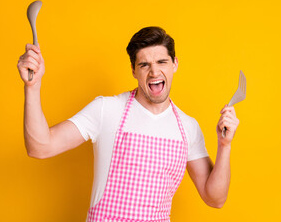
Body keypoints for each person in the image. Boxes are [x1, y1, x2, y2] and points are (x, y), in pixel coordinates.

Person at [17, 26, 239, 221]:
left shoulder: (188, 127)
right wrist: (32, 87)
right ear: (133, 70)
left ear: (175, 64)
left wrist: (224, 145)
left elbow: (215, 198)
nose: (154, 72)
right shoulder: (107, 109)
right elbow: (40, 147)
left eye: (162, 61)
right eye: (144, 64)